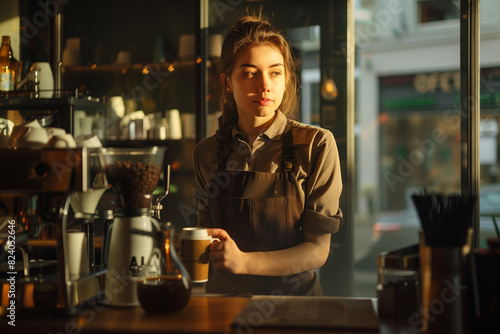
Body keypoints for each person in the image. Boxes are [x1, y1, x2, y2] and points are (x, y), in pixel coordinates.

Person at [193, 13, 343, 296]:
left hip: (295, 310)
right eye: (250, 73)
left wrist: (245, 262)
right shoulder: (207, 153)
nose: (265, 85)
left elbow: (317, 251)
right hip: (223, 305)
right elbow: (205, 236)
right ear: (227, 82)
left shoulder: (317, 145)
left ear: (286, 78)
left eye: (275, 72)